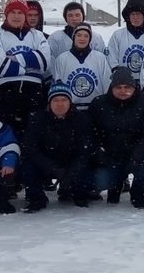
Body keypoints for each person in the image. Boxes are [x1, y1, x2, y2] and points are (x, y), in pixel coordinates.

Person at [20, 82, 95, 212]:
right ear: (49, 102)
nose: (60, 104)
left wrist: (71, 173)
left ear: (70, 102)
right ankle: (36, 198)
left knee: (87, 170)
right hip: (45, 162)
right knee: (28, 168)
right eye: (56, 100)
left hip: (71, 161)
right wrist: (54, 169)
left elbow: (84, 151)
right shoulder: (37, 119)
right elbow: (31, 149)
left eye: (64, 100)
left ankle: (76, 193)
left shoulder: (82, 119)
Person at [90, 65, 144, 207]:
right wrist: (102, 155)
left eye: (127, 87)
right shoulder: (98, 104)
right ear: (112, 87)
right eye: (119, 87)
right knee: (102, 178)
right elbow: (91, 134)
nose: (123, 91)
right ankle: (113, 188)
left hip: (136, 153)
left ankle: (137, 193)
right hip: (109, 154)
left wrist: (136, 157)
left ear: (134, 87)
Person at [0, 0, 50, 141]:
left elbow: (44, 62)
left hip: (32, 94)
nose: (16, 16)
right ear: (6, 15)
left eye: (20, 12)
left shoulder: (37, 35)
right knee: (4, 139)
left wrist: (14, 59)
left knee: (32, 138)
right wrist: (29, 67)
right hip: (3, 94)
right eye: (12, 12)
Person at [49, 22, 110, 111]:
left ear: (90, 39)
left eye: (86, 36)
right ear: (74, 37)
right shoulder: (62, 59)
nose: (82, 39)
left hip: (96, 108)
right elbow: (58, 85)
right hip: (71, 110)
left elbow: (107, 83)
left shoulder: (100, 58)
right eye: (79, 35)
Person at [108, 0, 144, 77]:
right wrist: (119, 76)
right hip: (125, 85)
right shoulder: (117, 35)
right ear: (128, 16)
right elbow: (112, 58)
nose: (135, 17)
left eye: (138, 14)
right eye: (132, 14)